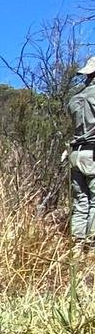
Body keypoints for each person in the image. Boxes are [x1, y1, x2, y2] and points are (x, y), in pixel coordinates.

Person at [67, 56, 95, 246]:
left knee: (80, 202)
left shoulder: (75, 99)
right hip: (93, 154)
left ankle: (77, 246)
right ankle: (92, 245)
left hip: (76, 154)